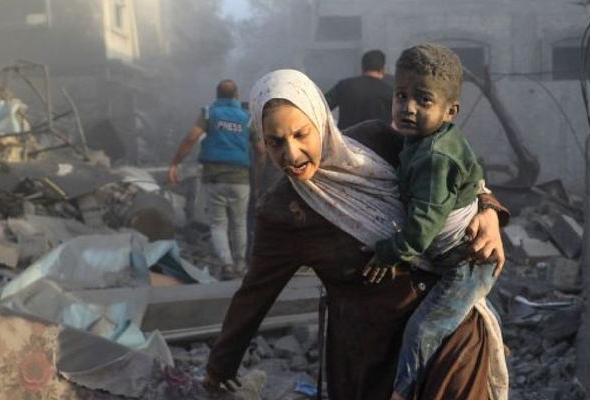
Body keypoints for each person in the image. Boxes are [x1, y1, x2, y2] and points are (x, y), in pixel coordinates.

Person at [204, 69, 510, 400]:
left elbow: (451, 168)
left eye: (301, 134)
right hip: (371, 357)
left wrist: (487, 208)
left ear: (320, 120)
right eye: (275, 142)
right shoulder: (282, 213)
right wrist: (220, 368)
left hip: (449, 331)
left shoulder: (378, 142)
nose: (291, 155)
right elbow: (254, 295)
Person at [359, 43, 497, 400]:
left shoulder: (435, 158)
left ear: (451, 111)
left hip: (463, 264)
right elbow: (476, 170)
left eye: (423, 100)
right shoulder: (424, 140)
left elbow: (421, 230)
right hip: (452, 256)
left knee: (421, 332)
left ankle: (403, 392)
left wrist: (389, 252)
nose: (408, 108)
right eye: (401, 96)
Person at [168, 80, 264, 279]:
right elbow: (261, 150)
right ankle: (241, 266)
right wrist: (257, 176)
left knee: (218, 224)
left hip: (214, 178)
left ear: (217, 95)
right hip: (241, 179)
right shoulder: (247, 118)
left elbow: (192, 137)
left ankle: (227, 265)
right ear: (237, 95)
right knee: (239, 223)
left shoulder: (209, 113)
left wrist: (175, 162)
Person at [325, 49, 393, 129]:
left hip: (347, 138)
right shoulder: (390, 91)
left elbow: (322, 105)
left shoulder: (344, 86)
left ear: (362, 67)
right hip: (379, 139)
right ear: (382, 69)